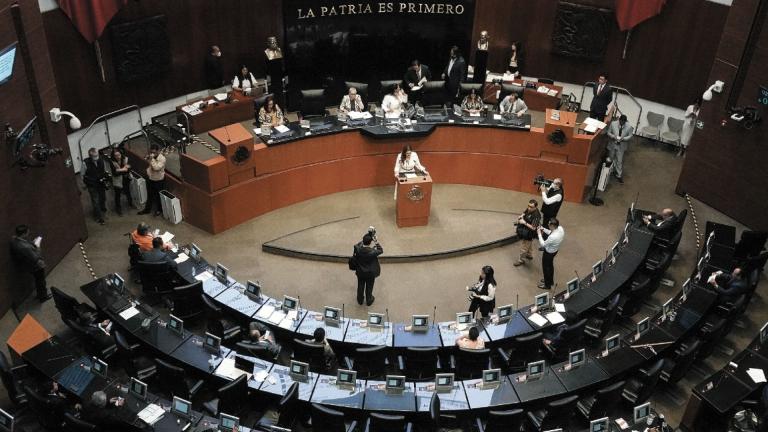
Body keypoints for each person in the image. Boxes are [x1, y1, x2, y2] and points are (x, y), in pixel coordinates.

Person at [9, 225, 51, 302]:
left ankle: (40, 294)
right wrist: (37, 247)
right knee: (41, 281)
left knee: (38, 280)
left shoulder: (14, 240)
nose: (29, 233)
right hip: (35, 266)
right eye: (27, 232)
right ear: (23, 234)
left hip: (27, 265)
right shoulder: (25, 247)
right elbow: (36, 257)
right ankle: (43, 297)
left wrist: (32, 243)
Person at [352, 232, 383, 306]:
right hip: (370, 273)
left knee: (360, 285)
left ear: (363, 241)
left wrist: (367, 236)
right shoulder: (373, 252)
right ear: (370, 243)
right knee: (369, 286)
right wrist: (376, 241)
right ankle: (369, 300)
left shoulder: (357, 248)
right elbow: (381, 250)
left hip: (360, 272)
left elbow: (358, 244)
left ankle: (360, 300)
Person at [137, 144, 166, 217]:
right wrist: (148, 172)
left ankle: (159, 210)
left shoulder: (162, 159)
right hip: (151, 178)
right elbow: (150, 166)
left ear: (158, 151)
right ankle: (147, 210)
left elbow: (156, 168)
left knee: (158, 196)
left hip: (159, 180)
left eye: (154, 152)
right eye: (151, 152)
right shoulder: (152, 157)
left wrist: (151, 159)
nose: (152, 154)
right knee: (149, 195)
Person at [83, 147, 109, 225]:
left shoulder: (101, 160)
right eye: (94, 156)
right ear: (90, 156)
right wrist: (85, 184)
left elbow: (104, 170)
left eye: (97, 155)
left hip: (100, 183)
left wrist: (105, 179)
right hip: (92, 184)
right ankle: (99, 217)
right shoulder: (85, 163)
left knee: (103, 198)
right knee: (95, 201)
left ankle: (103, 211)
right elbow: (82, 175)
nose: (96, 158)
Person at [537, 218, 564, 290]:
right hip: (555, 251)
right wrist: (543, 229)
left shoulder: (553, 237)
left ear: (553, 226)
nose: (548, 224)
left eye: (549, 224)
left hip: (548, 253)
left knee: (546, 268)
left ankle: (547, 285)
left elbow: (543, 244)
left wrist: (539, 234)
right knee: (550, 266)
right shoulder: (560, 229)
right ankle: (550, 281)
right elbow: (551, 232)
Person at [606, 114, 634, 184]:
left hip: (621, 146)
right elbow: (608, 132)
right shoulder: (613, 124)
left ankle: (619, 175)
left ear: (625, 122)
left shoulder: (629, 127)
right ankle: (608, 171)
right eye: (621, 122)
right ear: (619, 120)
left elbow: (630, 135)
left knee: (619, 160)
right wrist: (613, 136)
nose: (622, 123)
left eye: (623, 122)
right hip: (613, 144)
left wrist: (623, 138)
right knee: (611, 157)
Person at [514, 199, 541, 266]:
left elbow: (533, 227)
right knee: (529, 244)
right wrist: (521, 216)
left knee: (524, 247)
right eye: (528, 206)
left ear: (535, 207)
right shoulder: (529, 209)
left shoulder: (536, 216)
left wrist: (524, 222)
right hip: (526, 231)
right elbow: (525, 212)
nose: (529, 208)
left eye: (531, 207)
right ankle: (529, 255)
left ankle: (521, 260)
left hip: (529, 233)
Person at [109, 148, 132, 216]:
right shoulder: (112, 162)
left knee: (128, 192)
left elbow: (129, 168)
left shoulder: (125, 158)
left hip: (125, 178)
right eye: (116, 155)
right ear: (113, 156)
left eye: (119, 155)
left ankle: (130, 203)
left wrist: (119, 170)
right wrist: (123, 169)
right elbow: (114, 173)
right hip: (117, 180)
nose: (118, 157)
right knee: (117, 195)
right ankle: (118, 209)